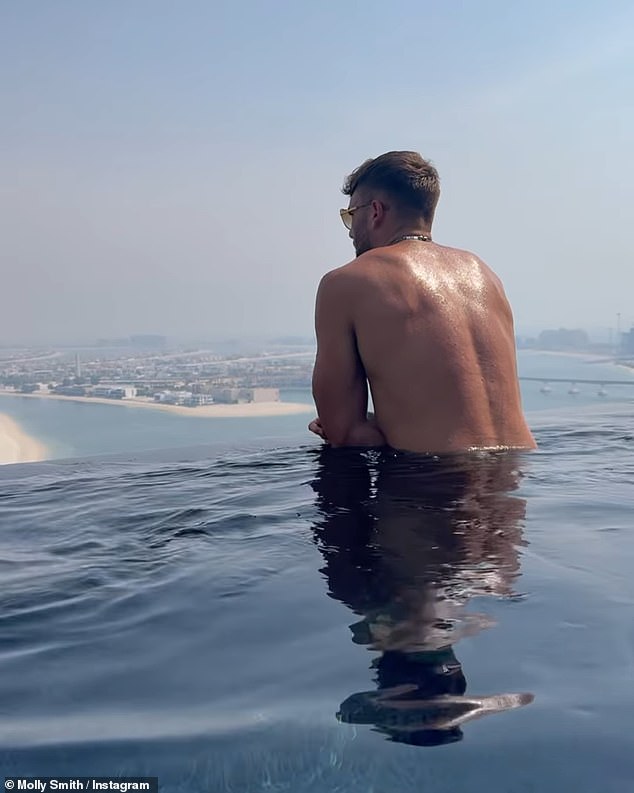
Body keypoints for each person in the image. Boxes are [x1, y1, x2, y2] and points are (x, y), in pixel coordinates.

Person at [309, 151, 536, 453]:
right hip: (516, 475)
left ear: (375, 211)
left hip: (431, 485)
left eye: (351, 216)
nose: (351, 231)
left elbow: (345, 432)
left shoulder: (348, 282)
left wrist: (344, 422)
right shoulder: (484, 275)